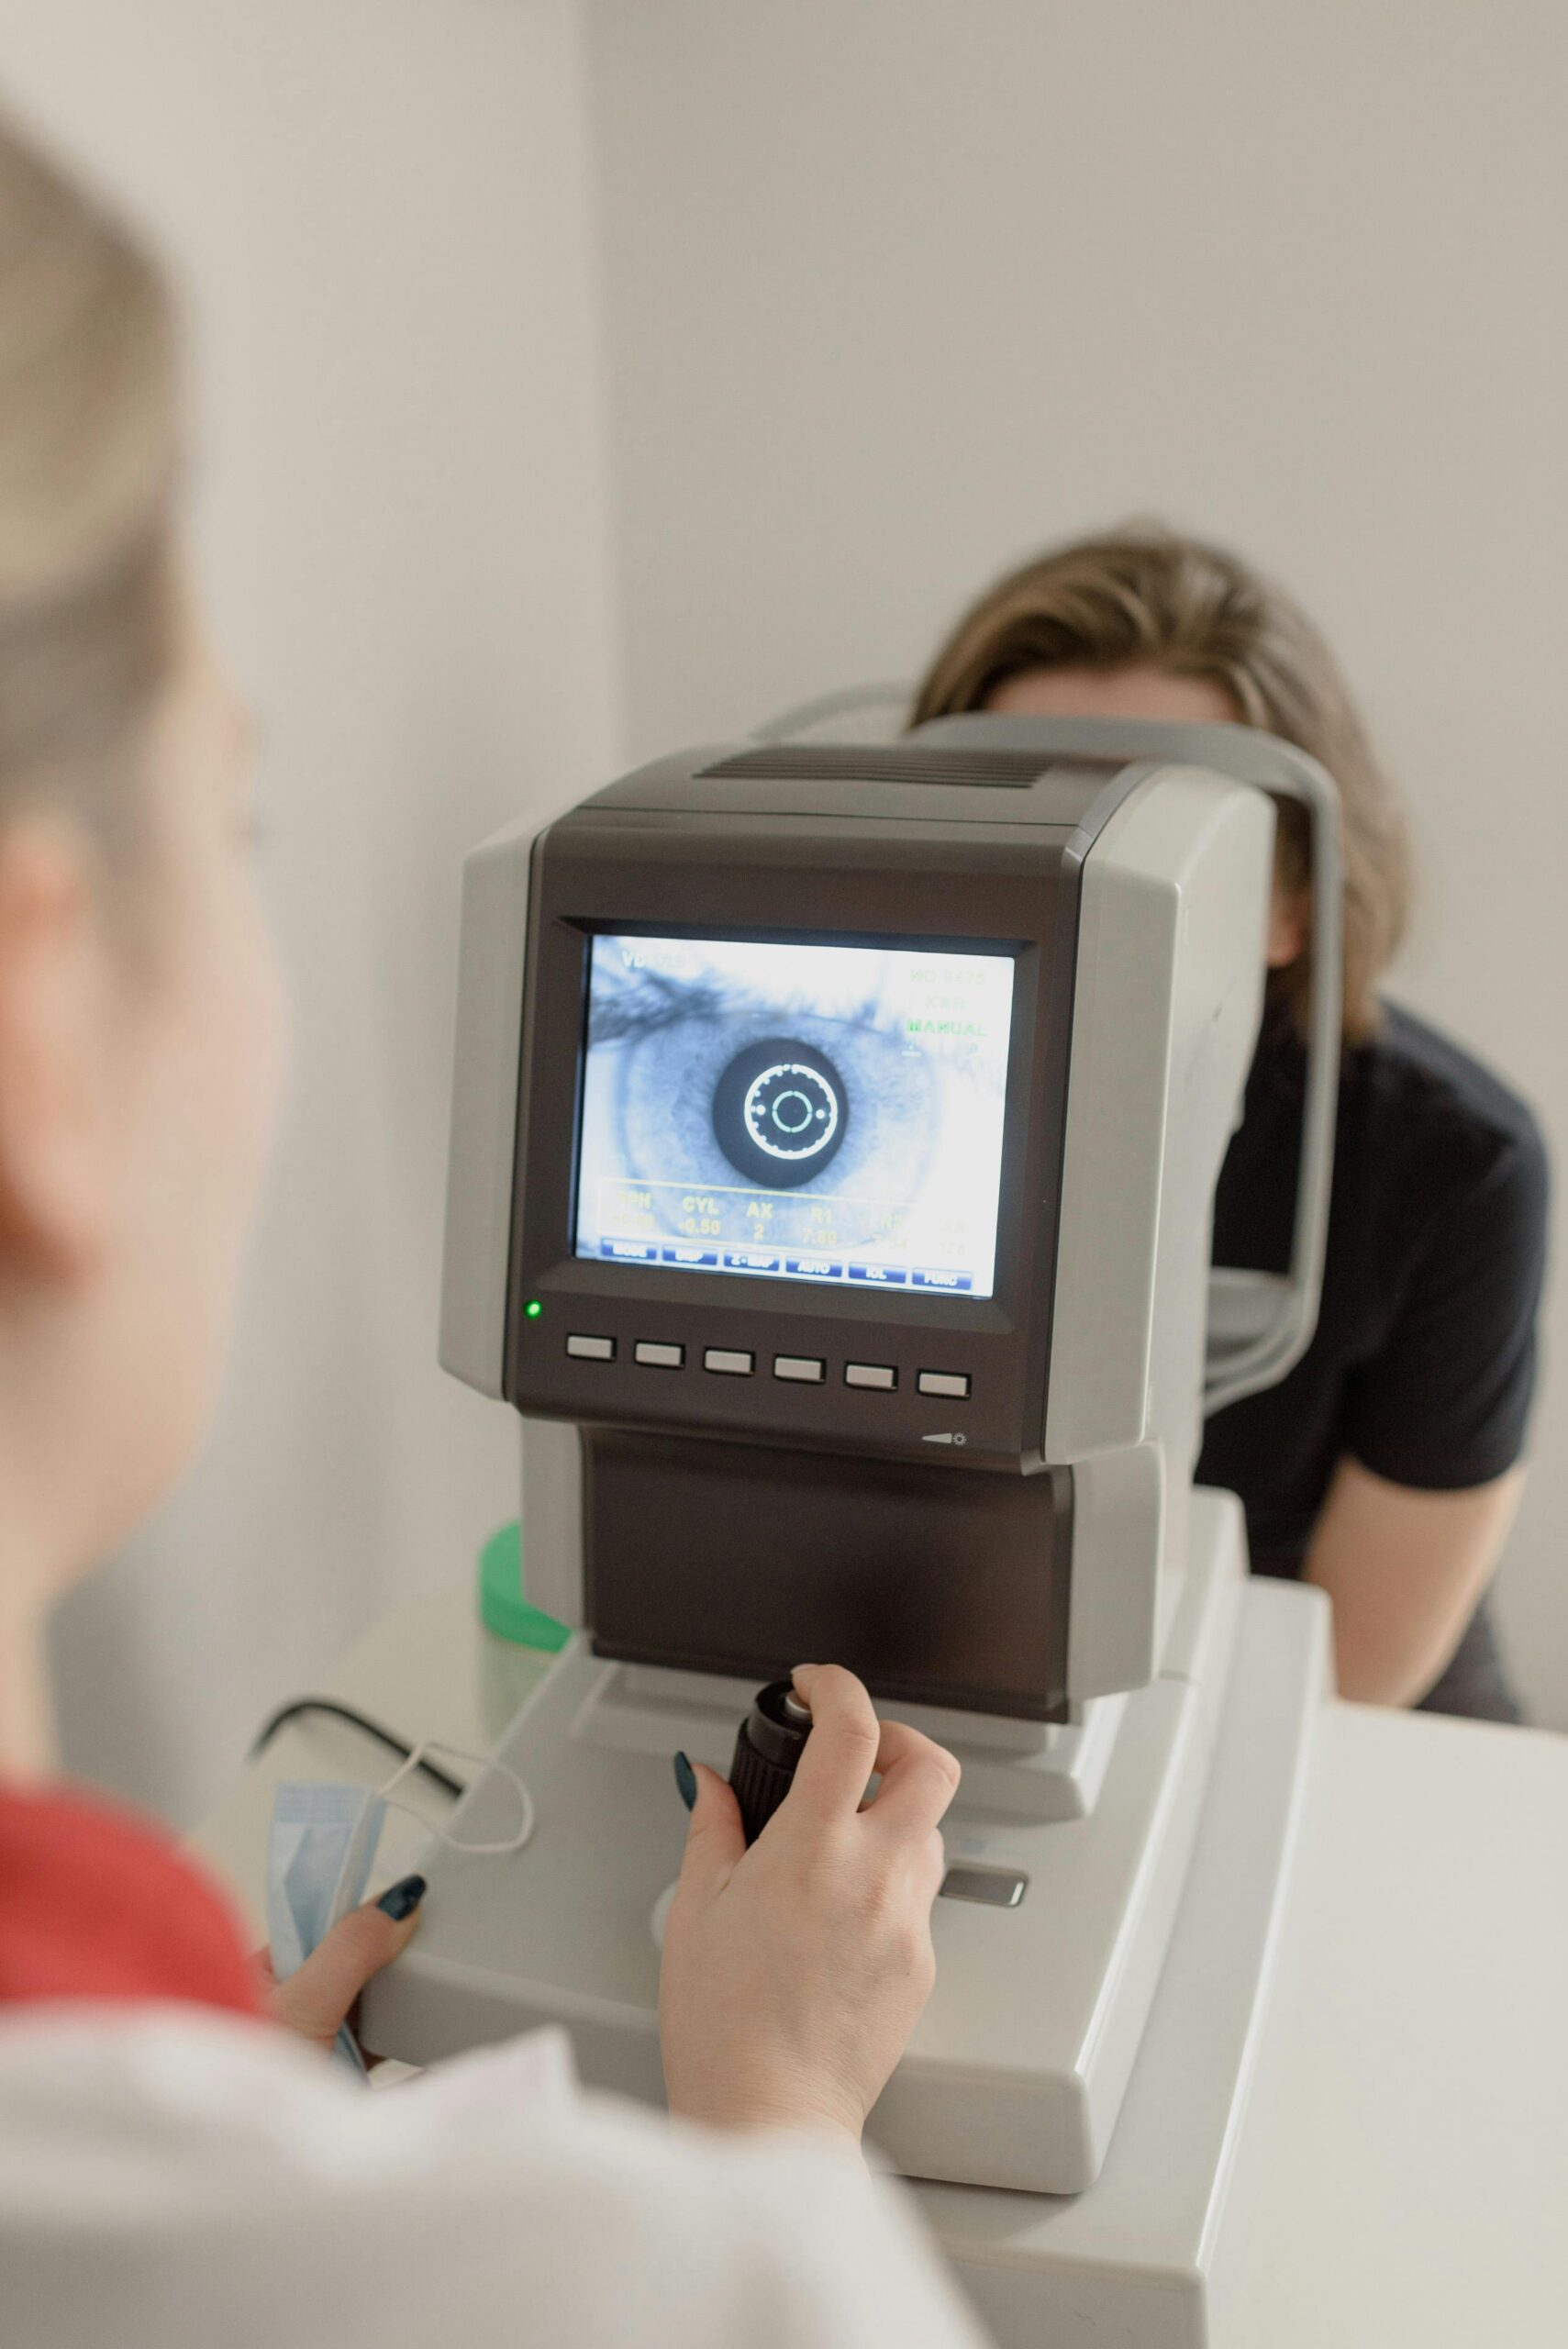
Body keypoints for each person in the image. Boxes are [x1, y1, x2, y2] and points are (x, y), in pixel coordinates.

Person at [0, 109, 987, 2349]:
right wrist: (768, 2150)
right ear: (38, 1013)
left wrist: (211, 2118)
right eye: (226, 816)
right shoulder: (627, 2287)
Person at [913, 529, 1550, 1721]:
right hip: (985, 1674)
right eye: (1026, 816)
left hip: (1325, 1704)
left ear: (1297, 895)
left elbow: (1357, 1662)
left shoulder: (1454, 1165)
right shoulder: (883, 1098)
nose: (1085, 890)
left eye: (1162, 839)